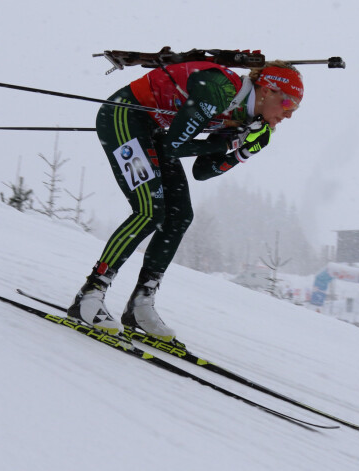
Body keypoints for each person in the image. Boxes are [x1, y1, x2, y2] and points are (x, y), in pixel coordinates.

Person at [67, 59, 303, 341]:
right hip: (123, 118)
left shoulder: (247, 115)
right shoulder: (220, 90)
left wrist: (241, 154)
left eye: (295, 110)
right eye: (288, 104)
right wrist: (231, 143)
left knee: (179, 215)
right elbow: (175, 146)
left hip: (153, 131)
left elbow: (202, 170)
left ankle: (140, 304)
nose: (289, 115)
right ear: (268, 90)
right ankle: (90, 294)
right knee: (150, 210)